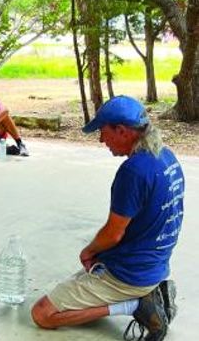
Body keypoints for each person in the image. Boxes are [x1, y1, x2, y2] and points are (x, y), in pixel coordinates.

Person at [31, 96, 183, 341]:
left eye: (103, 132)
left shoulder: (133, 171)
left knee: (42, 314)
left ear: (122, 131)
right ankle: (142, 295)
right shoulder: (167, 157)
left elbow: (113, 234)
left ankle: (135, 305)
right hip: (154, 266)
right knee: (80, 286)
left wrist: (88, 251)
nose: (102, 140)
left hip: (130, 276)